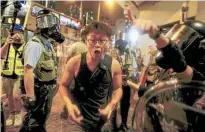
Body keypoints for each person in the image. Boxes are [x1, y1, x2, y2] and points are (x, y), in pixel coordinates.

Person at [127, 19, 205, 131]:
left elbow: (178, 62)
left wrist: (157, 36)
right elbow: (157, 93)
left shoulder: (195, 78)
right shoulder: (168, 71)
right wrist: (137, 88)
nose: (177, 42)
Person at [59, 21, 123, 132]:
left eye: (102, 40)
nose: (97, 44)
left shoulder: (114, 65)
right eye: (92, 40)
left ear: (108, 42)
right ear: (86, 41)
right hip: (77, 121)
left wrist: (111, 105)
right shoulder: (75, 62)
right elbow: (63, 85)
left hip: (101, 122)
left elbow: (118, 88)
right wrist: (68, 104)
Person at [20, 9, 65, 132]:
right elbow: (28, 71)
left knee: (35, 120)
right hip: (38, 89)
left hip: (46, 89)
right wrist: (30, 96)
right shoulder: (35, 45)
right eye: (50, 23)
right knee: (37, 123)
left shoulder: (47, 43)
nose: (54, 28)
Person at [1, 24, 24, 127]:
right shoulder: (6, 44)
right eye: (14, 32)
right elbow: (0, 55)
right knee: (9, 96)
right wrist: (6, 44)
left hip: (18, 75)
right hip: (7, 74)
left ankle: (18, 114)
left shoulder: (24, 45)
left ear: (22, 34)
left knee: (16, 96)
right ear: (10, 33)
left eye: (18, 32)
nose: (16, 35)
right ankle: (11, 114)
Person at [60, 41, 88, 119]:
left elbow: (68, 56)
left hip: (73, 70)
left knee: (70, 89)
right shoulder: (87, 46)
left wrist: (66, 66)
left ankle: (67, 111)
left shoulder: (74, 45)